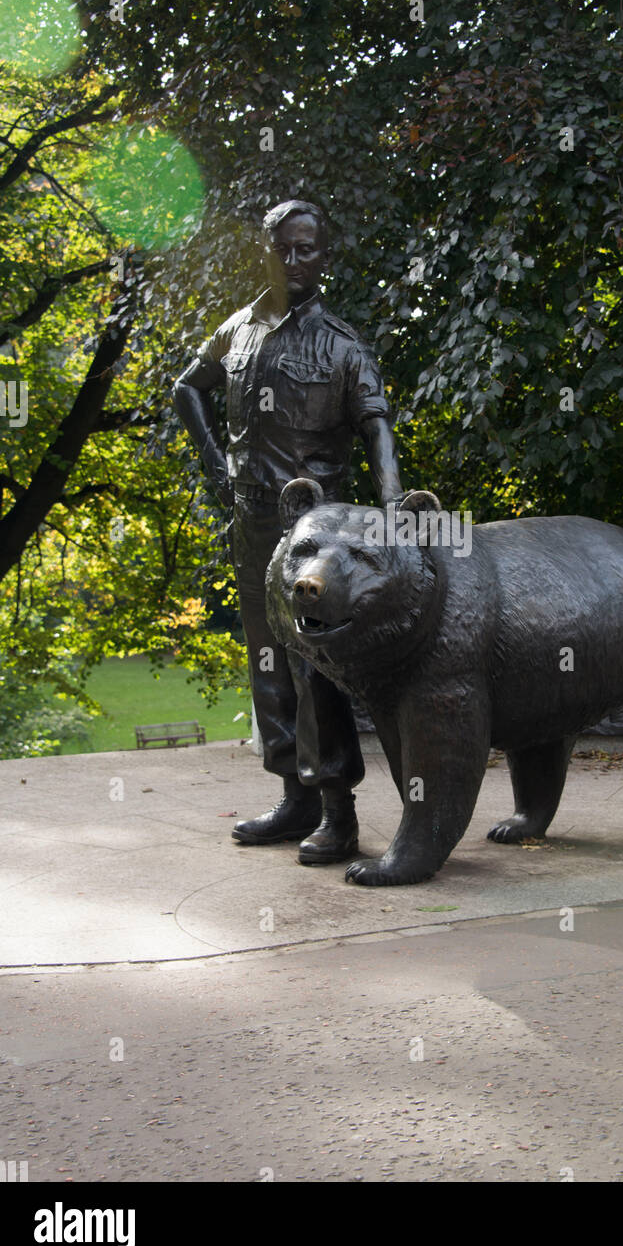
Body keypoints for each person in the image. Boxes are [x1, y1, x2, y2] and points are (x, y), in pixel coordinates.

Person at [173, 200, 404, 863]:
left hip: (316, 529)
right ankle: (293, 796)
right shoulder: (236, 329)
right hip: (250, 521)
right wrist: (216, 468)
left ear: (323, 257)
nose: (296, 260)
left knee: (314, 668)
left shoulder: (340, 343)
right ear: (265, 251)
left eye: (309, 249)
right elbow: (186, 390)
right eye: (284, 248)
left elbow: (375, 427)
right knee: (267, 661)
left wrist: (391, 511)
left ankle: (338, 810)